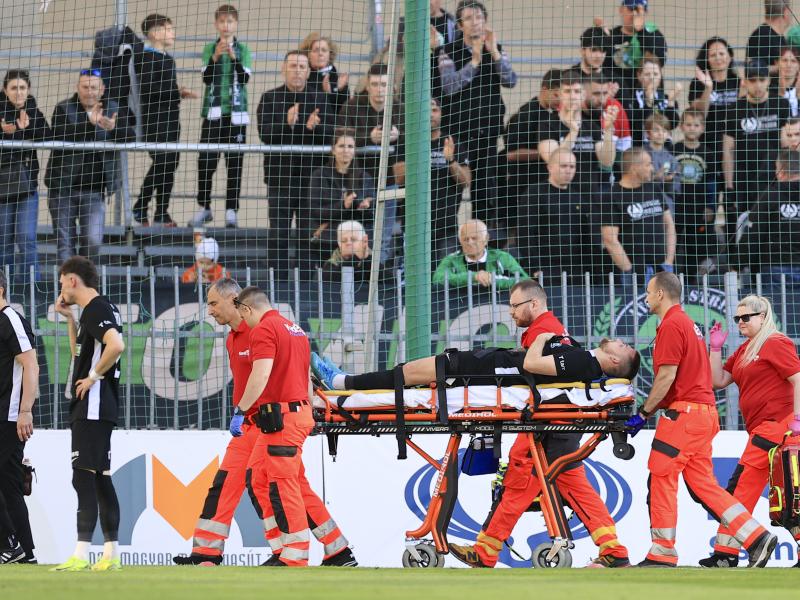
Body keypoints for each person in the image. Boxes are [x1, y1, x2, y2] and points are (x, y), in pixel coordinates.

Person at [441, 279, 633, 569]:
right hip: (554, 422)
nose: (510, 312)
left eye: (514, 306)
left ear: (533, 303)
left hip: (549, 424)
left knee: (522, 482)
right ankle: (612, 549)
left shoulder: (545, 331)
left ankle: (485, 551)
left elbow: (533, 369)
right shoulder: (561, 338)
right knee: (559, 484)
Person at [625, 272, 778, 568]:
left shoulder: (671, 325)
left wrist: (643, 413)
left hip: (683, 416)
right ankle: (756, 537)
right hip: (702, 415)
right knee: (705, 486)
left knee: (661, 476)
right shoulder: (686, 324)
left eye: (648, 292)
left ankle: (662, 551)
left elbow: (666, 375)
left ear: (660, 294)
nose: (646, 298)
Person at [233, 286, 357, 567]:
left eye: (242, 315)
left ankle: (294, 554)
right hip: (294, 414)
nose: (244, 323)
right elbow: (305, 376)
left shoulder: (264, 330)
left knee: (281, 484)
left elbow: (260, 373)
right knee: (261, 478)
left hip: (282, 418)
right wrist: (308, 411)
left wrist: (240, 409)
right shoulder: (296, 330)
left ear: (246, 309)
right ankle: (336, 549)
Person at [700, 295, 800, 568]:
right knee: (785, 493)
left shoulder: (775, 342)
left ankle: (725, 554)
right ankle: (725, 553)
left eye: (746, 317)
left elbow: (798, 378)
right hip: (764, 430)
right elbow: (717, 380)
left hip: (777, 427)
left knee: (742, 489)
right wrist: (715, 348)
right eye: (737, 318)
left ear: (763, 316)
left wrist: (797, 421)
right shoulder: (746, 350)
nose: (740, 322)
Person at [51, 257, 125, 572]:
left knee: (83, 476)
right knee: (100, 478)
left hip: (92, 405)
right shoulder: (96, 310)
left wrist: (92, 377)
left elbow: (116, 345)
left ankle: (81, 554)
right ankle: (111, 554)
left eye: (61, 283)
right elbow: (79, 354)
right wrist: (70, 320)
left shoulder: (96, 309)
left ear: (72, 280)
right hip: (100, 406)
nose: (60, 290)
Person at [436, 0, 517, 219]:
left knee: (485, 193)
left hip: (488, 130)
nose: (475, 22)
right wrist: (474, 61)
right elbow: (449, 86)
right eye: (469, 18)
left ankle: (482, 235)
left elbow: (510, 81)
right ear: (460, 25)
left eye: (479, 17)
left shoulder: (497, 49)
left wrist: (495, 54)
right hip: (458, 132)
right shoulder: (447, 51)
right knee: (453, 190)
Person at [45, 69, 135, 265]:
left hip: (95, 191)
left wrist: (113, 128)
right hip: (62, 188)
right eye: (85, 87)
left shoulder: (113, 108)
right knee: (65, 246)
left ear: (102, 89)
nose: (89, 92)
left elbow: (131, 137)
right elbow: (61, 134)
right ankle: (68, 284)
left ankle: (84, 281)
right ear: (77, 88)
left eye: (94, 87)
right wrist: (89, 123)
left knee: (93, 242)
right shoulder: (63, 108)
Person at [258, 50, 334, 274]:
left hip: (311, 180)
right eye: (293, 66)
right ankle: (278, 280)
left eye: (302, 67)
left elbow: (332, 134)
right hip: (280, 178)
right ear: (283, 69)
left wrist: (315, 127)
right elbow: (264, 133)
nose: (297, 71)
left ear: (309, 71)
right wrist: (287, 123)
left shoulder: (320, 99)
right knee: (278, 232)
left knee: (307, 233)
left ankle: (307, 280)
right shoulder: (270, 98)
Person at [132, 13, 198, 227]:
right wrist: (176, 92)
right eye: (168, 29)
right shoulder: (146, 57)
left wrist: (178, 92)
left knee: (171, 162)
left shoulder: (168, 59)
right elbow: (149, 89)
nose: (172, 33)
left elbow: (165, 89)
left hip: (170, 118)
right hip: (155, 119)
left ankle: (162, 211)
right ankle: (141, 205)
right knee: (163, 161)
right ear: (154, 33)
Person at [192, 4, 253, 229]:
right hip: (213, 113)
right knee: (206, 161)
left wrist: (234, 58)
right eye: (222, 21)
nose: (226, 26)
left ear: (236, 24)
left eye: (230, 21)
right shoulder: (210, 48)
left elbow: (244, 79)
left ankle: (231, 210)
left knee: (234, 162)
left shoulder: (244, 49)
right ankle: (204, 207)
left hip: (236, 115)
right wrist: (216, 57)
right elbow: (207, 79)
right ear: (216, 24)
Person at [393, 98, 471, 259]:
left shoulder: (452, 142)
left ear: (441, 114)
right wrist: (419, 153)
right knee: (412, 270)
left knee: (445, 273)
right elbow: (399, 178)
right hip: (414, 224)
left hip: (446, 224)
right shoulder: (407, 142)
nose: (430, 115)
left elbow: (465, 181)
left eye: (434, 110)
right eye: (425, 111)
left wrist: (451, 160)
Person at [597, 147, 676, 295]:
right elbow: (610, 239)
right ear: (634, 168)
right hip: (632, 274)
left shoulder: (653, 188)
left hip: (661, 269)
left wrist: (669, 261)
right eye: (648, 164)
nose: (652, 168)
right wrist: (629, 271)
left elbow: (669, 225)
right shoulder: (612, 197)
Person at [0, 270, 38, 564]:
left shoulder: (10, 318)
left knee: (10, 484)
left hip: (9, 416)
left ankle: (9, 545)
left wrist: (25, 410)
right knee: (11, 485)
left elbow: (31, 364)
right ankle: (25, 554)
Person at [0, 69, 49, 288]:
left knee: (27, 238)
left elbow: (48, 136)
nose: (18, 92)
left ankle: (32, 288)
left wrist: (27, 128)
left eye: (22, 88)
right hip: (2, 188)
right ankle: (4, 288)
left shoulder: (33, 111)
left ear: (28, 90)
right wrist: (5, 132)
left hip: (26, 186)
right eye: (13, 88)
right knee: (3, 241)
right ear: (5, 90)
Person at [722, 60, 790, 217]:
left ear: (769, 80)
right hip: (744, 179)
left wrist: (788, 178)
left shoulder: (781, 104)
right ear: (745, 82)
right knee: (745, 223)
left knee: (774, 223)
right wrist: (729, 187)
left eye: (762, 79)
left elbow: (787, 145)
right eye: (752, 80)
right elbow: (728, 150)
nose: (758, 85)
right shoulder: (734, 109)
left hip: (774, 178)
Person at [537, 70, 618, 197]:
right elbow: (554, 161)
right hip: (559, 197)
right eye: (567, 91)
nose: (572, 96)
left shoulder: (591, 126)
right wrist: (573, 132)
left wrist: (608, 131)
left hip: (589, 196)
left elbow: (607, 162)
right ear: (560, 94)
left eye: (577, 91)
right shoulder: (547, 125)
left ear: (583, 95)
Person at [306, 128, 376, 267]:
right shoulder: (320, 175)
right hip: (329, 240)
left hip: (357, 242)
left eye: (350, 146)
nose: (346, 150)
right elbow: (316, 212)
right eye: (341, 146)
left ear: (355, 151)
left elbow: (372, 216)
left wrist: (366, 207)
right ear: (333, 150)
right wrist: (343, 205)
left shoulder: (364, 177)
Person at [519, 149, 593, 279]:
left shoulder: (578, 196)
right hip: (545, 267)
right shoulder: (535, 193)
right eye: (563, 166)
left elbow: (585, 234)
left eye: (572, 166)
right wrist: (534, 266)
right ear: (550, 167)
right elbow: (525, 233)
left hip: (575, 267)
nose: (568, 170)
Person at [336, 62, 401, 188]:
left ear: (393, 87)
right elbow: (340, 137)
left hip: (390, 179)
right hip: (357, 179)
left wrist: (398, 136)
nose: (379, 90)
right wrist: (369, 137)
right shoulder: (350, 107)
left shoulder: (401, 109)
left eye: (384, 84)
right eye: (374, 84)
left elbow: (414, 138)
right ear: (367, 86)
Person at [672, 109, 718, 278]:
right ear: (681, 126)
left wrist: (710, 206)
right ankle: (672, 276)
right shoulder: (674, 149)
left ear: (702, 128)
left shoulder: (708, 153)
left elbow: (712, 184)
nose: (692, 128)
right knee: (674, 241)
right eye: (688, 124)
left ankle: (691, 277)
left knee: (694, 244)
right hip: (676, 205)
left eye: (696, 125)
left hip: (698, 206)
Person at [688, 37, 740, 186]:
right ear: (707, 59)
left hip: (733, 146)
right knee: (711, 192)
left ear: (730, 57)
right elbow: (698, 114)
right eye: (713, 55)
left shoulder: (738, 82)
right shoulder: (698, 83)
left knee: (733, 191)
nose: (718, 58)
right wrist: (708, 88)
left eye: (722, 53)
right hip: (708, 144)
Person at [504, 69, 561, 204]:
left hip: (545, 183)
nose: (559, 100)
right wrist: (547, 153)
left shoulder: (555, 115)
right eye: (556, 95)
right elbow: (511, 154)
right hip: (523, 186)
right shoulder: (526, 115)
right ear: (544, 89)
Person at [743, 150, 800, 283]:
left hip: (775, 266)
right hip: (775, 267)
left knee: (775, 298)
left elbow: (753, 234)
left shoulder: (770, 196)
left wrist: (737, 264)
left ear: (781, 172)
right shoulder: (770, 195)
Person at [433, 219, 528, 290]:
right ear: (460, 241)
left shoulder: (502, 257)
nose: (470, 242)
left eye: (474, 238)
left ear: (486, 239)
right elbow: (437, 279)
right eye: (465, 239)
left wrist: (493, 280)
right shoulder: (452, 260)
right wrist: (473, 277)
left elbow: (525, 281)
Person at [600, 0, 668, 94]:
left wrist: (641, 31)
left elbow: (660, 60)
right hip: (617, 95)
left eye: (639, 10)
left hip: (646, 95)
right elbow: (603, 65)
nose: (634, 14)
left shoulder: (653, 34)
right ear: (621, 10)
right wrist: (599, 36)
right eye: (631, 9)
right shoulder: (611, 36)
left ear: (646, 12)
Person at [620, 58, 680, 146]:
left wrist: (670, 102)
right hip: (639, 146)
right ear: (639, 75)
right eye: (647, 74)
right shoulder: (630, 98)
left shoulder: (666, 97)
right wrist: (648, 102)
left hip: (664, 147)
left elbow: (673, 124)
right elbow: (634, 125)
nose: (652, 78)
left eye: (655, 74)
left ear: (660, 76)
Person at [300, 32, 350, 114]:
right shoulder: (302, 77)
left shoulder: (338, 79)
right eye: (316, 50)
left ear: (330, 54)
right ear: (308, 55)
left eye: (324, 50)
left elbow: (343, 111)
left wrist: (341, 90)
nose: (320, 53)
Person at [321, 221, 378, 288]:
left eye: (353, 239)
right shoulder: (331, 263)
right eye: (343, 240)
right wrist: (356, 257)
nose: (348, 243)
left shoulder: (373, 260)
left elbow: (387, 281)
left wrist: (367, 258)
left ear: (364, 241)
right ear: (339, 243)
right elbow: (328, 281)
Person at [746, 0, 793, 72]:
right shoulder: (762, 35)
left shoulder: (780, 37)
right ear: (785, 12)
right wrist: (783, 68)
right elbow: (754, 69)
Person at [644, 113, 676, 204]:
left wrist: (669, 181)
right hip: (646, 203)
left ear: (668, 134)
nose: (660, 133)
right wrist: (655, 177)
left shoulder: (671, 159)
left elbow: (675, 191)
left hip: (666, 204)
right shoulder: (640, 155)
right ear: (648, 133)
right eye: (656, 130)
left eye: (664, 130)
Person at [772, 46, 800, 117]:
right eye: (785, 60)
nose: (788, 65)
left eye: (793, 61)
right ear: (777, 63)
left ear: (798, 65)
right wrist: (781, 95)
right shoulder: (769, 88)